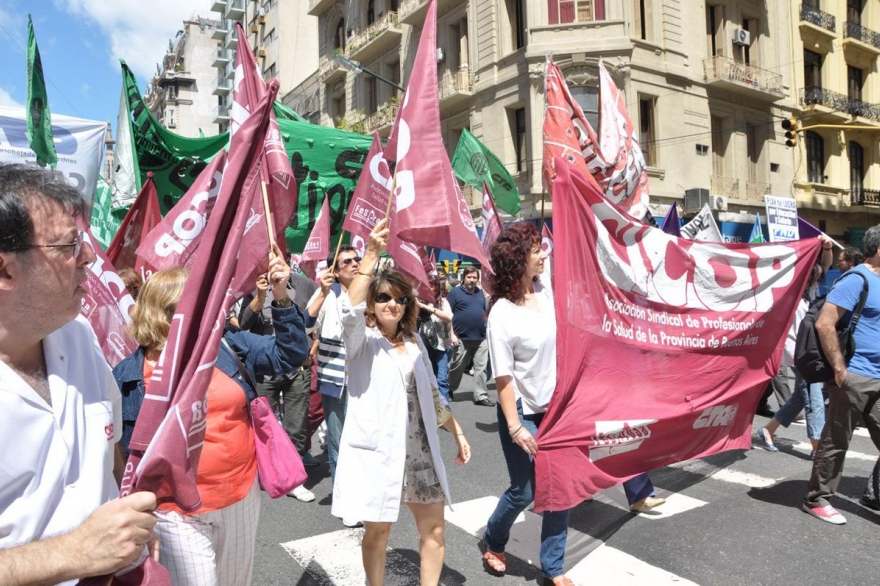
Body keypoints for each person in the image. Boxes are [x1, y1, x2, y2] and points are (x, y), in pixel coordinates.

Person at [0, 163, 157, 585]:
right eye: (69, 245)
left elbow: (108, 447)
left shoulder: (80, 335)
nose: (88, 257)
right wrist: (73, 553)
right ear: (5, 270)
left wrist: (127, 517)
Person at [113, 264, 309, 584]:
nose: (210, 311)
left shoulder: (226, 345)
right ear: (167, 313)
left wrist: (281, 297)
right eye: (199, 305)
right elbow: (120, 457)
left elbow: (289, 354)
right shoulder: (127, 377)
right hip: (176, 513)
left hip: (240, 499)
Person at [333, 219, 470, 586]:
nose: (392, 304)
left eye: (400, 298)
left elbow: (432, 396)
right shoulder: (361, 344)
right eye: (383, 297)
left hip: (419, 453)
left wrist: (457, 432)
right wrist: (372, 254)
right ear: (372, 304)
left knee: (435, 532)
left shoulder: (414, 344)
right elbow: (348, 312)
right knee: (378, 534)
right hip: (381, 453)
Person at [481, 222, 572, 586]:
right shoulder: (501, 313)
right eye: (536, 250)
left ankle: (554, 568)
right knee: (526, 490)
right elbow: (503, 377)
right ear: (518, 260)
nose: (543, 255)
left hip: (557, 409)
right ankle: (494, 538)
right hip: (521, 411)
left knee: (560, 487)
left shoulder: (546, 290)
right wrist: (516, 426)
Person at [803, 226, 880, 525]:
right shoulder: (856, 279)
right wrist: (839, 368)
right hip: (855, 375)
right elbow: (825, 324)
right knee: (836, 440)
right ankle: (817, 499)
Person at [239, 268, 319, 503]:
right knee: (265, 427)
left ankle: (294, 480)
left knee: (296, 426)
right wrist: (261, 296)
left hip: (297, 369)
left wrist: (312, 350)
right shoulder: (253, 287)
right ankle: (267, 472)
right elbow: (242, 324)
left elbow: (321, 317)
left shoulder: (305, 285)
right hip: (265, 370)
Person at [305, 246, 360, 494]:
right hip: (336, 378)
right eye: (347, 261)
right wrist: (323, 292)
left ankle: (361, 489)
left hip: (364, 376)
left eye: (357, 259)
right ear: (335, 272)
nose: (354, 264)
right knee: (338, 439)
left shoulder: (369, 292)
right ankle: (343, 495)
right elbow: (306, 324)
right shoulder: (326, 293)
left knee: (361, 438)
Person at [755, 264, 827, 456]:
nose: (817, 280)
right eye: (815, 276)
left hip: (806, 352)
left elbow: (824, 264)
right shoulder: (788, 295)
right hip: (797, 353)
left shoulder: (810, 294)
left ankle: (768, 430)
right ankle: (817, 446)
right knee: (814, 399)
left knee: (799, 398)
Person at [447, 266, 495, 406]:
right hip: (461, 338)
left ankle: (481, 395)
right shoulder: (455, 293)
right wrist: (452, 335)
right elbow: (448, 315)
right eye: (469, 277)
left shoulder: (481, 294)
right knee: (457, 367)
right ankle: (449, 389)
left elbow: (487, 311)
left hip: (481, 338)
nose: (472, 280)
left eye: (474, 278)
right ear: (464, 277)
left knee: (481, 368)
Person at [417, 275, 456, 402]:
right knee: (427, 378)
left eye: (432, 285)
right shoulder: (417, 301)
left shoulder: (443, 302)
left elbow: (449, 318)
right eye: (426, 285)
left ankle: (444, 410)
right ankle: (429, 406)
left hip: (441, 345)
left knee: (442, 379)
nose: (429, 288)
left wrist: (430, 309)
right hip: (422, 346)